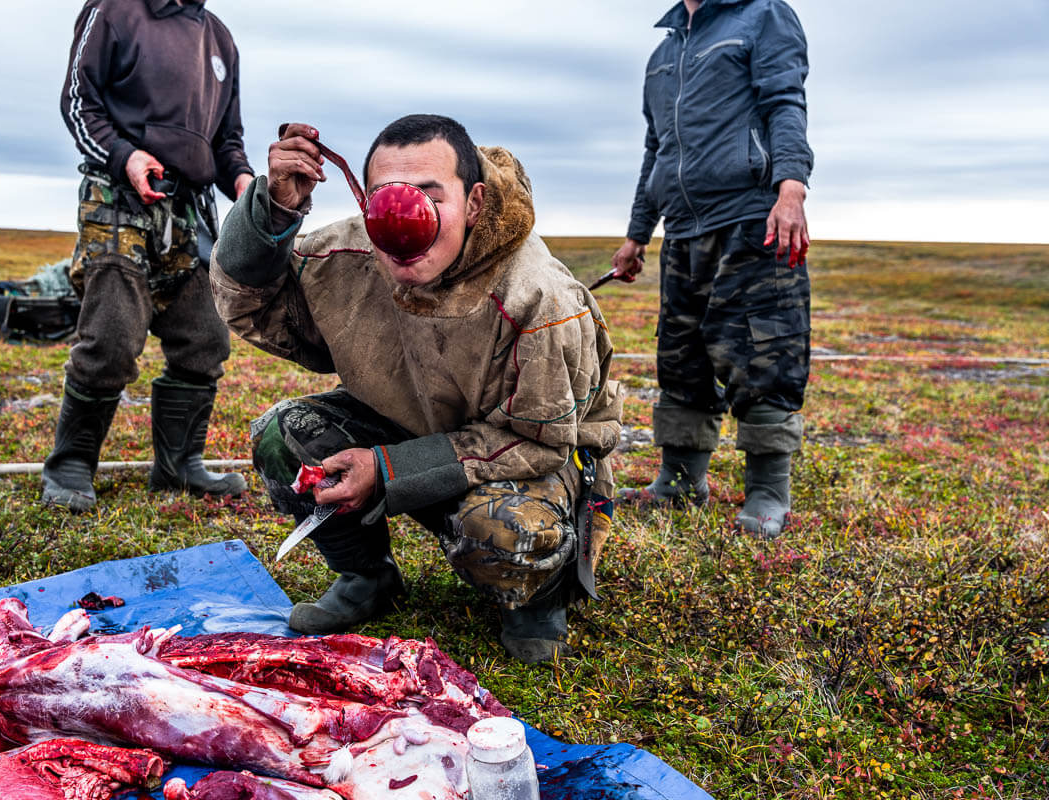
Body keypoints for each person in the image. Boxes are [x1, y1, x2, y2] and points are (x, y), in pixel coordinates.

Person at [210, 115, 624, 664]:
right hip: (411, 426)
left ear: (474, 203)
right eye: (385, 197)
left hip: (526, 458)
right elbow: (250, 304)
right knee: (285, 437)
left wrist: (388, 467)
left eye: (430, 196)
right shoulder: (345, 256)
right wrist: (275, 212)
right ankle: (366, 577)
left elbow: (541, 443)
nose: (402, 220)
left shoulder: (538, 297)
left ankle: (538, 597)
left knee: (505, 530)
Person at [611, 0, 814, 539]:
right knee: (682, 357)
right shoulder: (662, 53)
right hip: (681, 229)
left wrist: (790, 186)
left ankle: (768, 493)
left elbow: (785, 103)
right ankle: (679, 484)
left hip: (752, 218)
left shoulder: (764, 15)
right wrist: (638, 233)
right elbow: (656, 148)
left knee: (764, 352)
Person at [43, 0, 254, 512]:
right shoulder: (116, 10)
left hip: (192, 208)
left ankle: (179, 466)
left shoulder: (219, 37)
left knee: (205, 337)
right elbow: (78, 100)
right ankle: (71, 466)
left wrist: (247, 185)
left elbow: (226, 140)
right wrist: (126, 156)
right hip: (119, 195)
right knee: (112, 336)